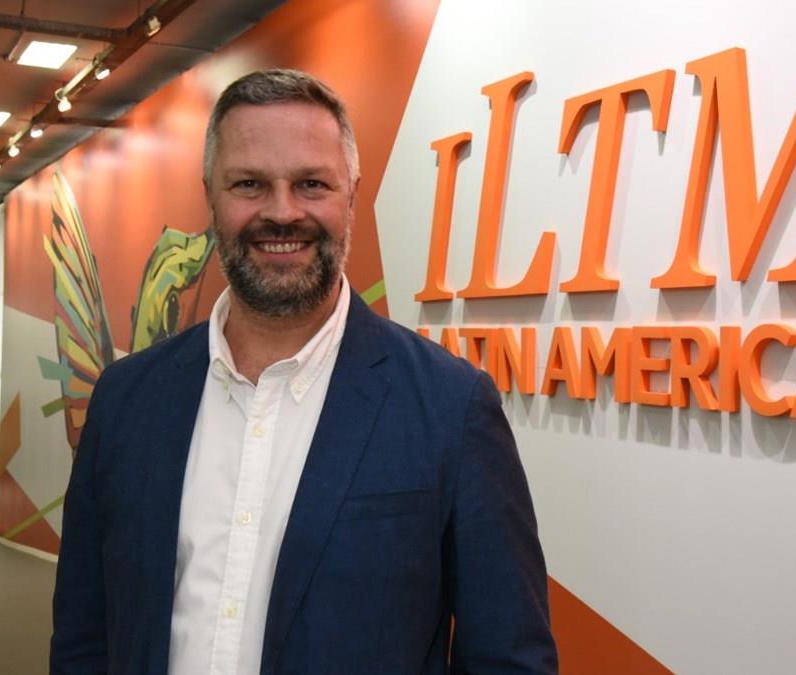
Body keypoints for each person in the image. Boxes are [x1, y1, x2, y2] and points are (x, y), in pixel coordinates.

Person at [51, 69, 557, 675]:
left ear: (351, 194)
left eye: (311, 183)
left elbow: (508, 658)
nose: (282, 212)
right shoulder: (126, 400)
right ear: (210, 193)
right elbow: (84, 635)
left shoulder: (453, 408)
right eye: (249, 184)